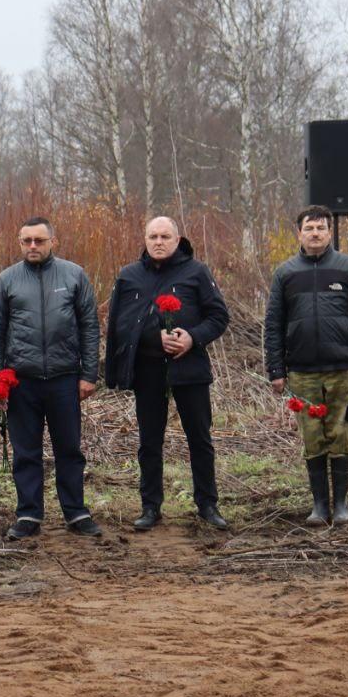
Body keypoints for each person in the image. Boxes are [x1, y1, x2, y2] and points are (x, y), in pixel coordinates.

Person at [104, 217, 230, 531]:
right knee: (149, 441)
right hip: (148, 369)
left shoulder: (196, 272)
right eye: (153, 237)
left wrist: (193, 337)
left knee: (199, 439)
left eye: (165, 236)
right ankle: (150, 507)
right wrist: (152, 336)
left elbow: (218, 316)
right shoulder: (129, 275)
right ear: (145, 239)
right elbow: (119, 324)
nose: (158, 242)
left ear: (177, 239)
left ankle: (207, 505)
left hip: (190, 368)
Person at [0, 216, 102, 539]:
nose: (33, 246)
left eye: (39, 240)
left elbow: (90, 327)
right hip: (21, 382)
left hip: (65, 379)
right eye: (27, 241)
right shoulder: (7, 280)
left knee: (69, 449)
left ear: (53, 241)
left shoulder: (74, 275)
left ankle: (76, 512)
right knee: (26, 452)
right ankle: (28, 514)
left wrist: (89, 374)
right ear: (20, 243)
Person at [265, 205, 348, 527]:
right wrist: (276, 370)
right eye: (309, 228)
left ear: (330, 232)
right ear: (298, 233)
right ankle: (319, 506)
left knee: (341, 435)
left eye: (320, 228)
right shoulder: (285, 273)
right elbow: (273, 324)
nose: (315, 233)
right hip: (302, 372)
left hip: (344, 370)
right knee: (313, 437)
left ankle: (341, 505)